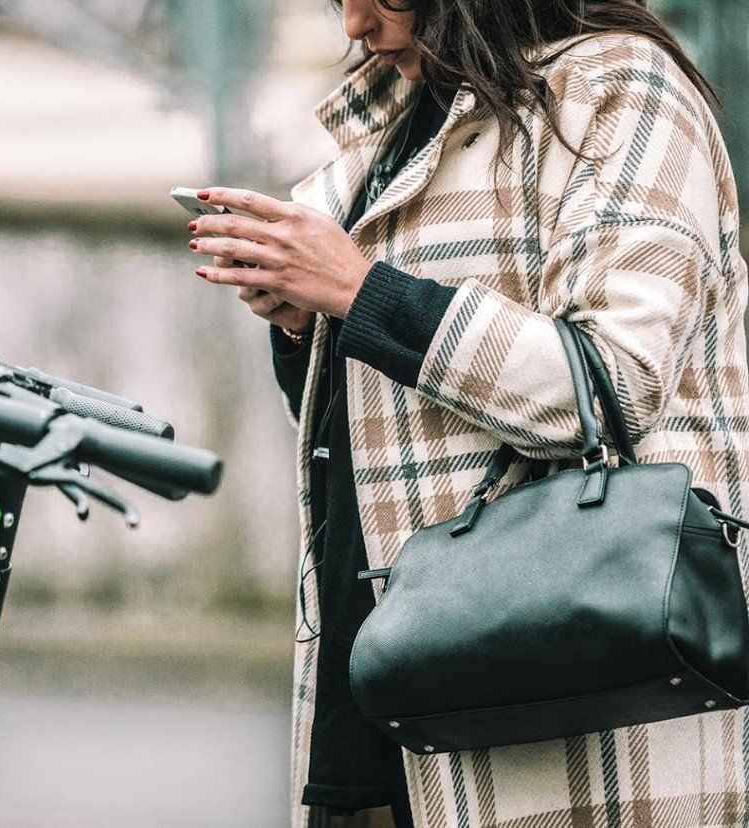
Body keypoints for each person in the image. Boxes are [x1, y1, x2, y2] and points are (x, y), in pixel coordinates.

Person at [188, 1, 749, 826]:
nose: (353, 25)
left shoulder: (620, 90)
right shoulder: (390, 127)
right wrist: (302, 324)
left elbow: (609, 385)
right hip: (382, 697)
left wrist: (359, 289)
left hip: (561, 703)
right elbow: (375, 436)